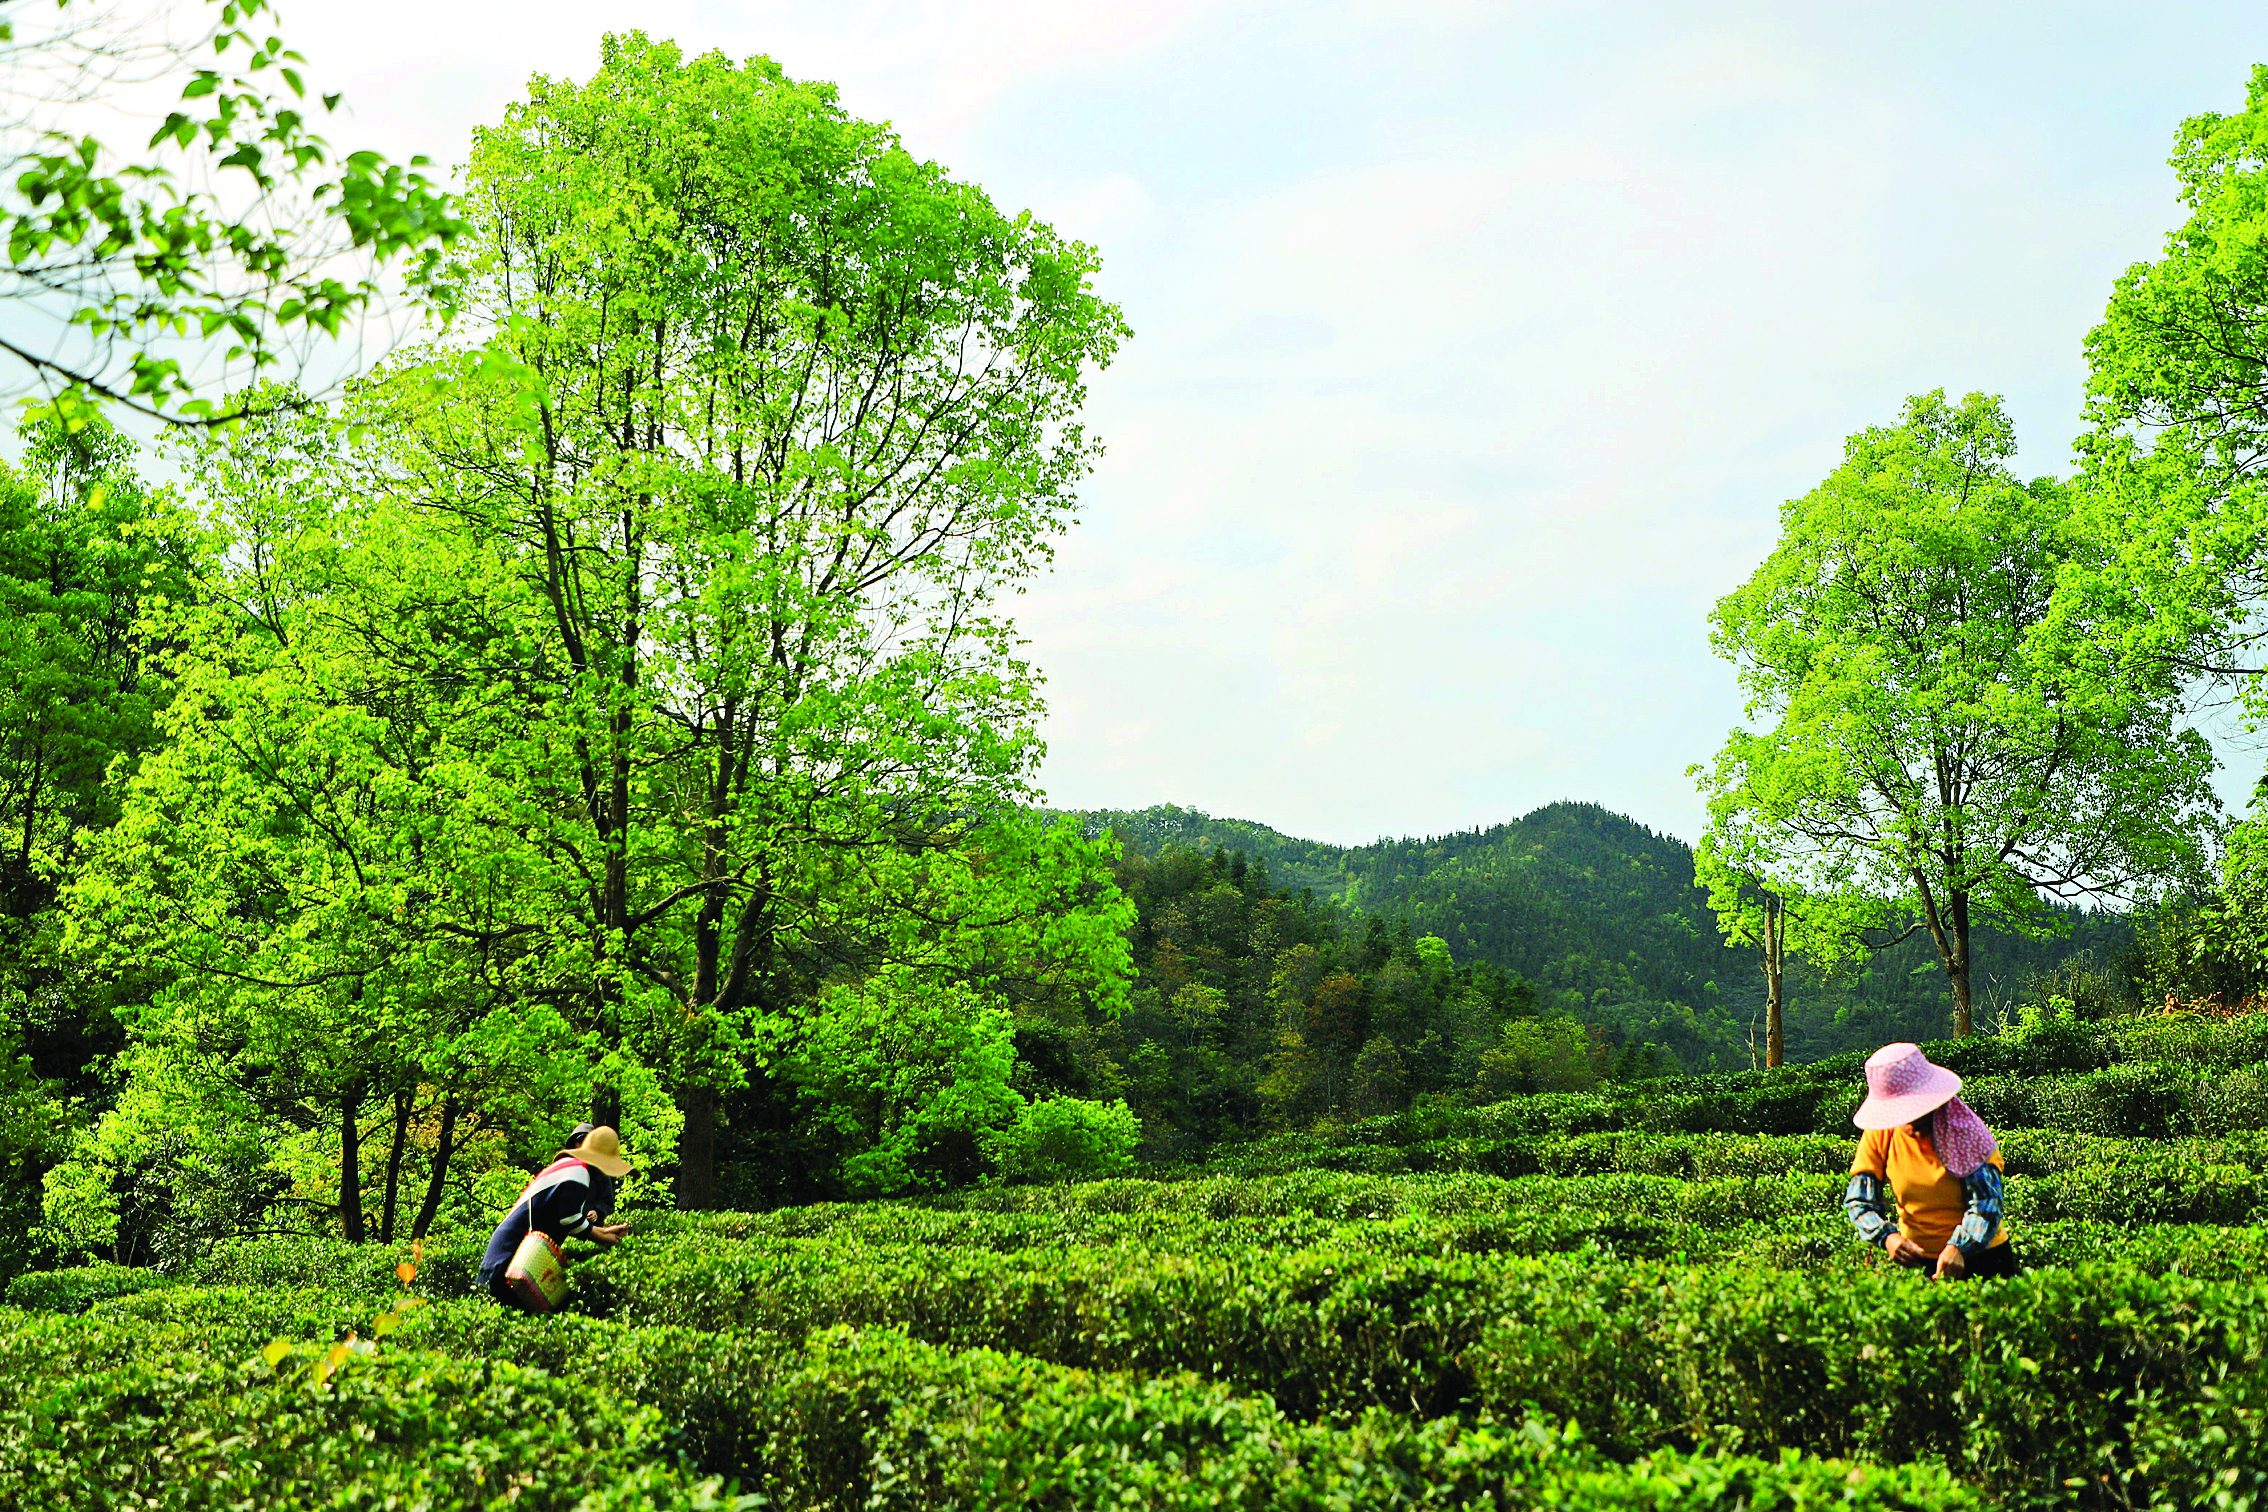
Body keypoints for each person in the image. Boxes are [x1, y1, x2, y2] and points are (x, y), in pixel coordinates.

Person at [1844, 1042, 2017, 1280]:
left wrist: (1959, 1247)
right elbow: (1859, 1200)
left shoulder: (1965, 1132)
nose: (1910, 1119)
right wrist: (1888, 1238)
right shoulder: (1882, 1132)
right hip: (1918, 1260)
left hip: (1982, 1256)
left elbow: (1987, 1204)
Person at [478, 1123, 634, 1309]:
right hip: (510, 1259)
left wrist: (604, 1231)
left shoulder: (569, 1167)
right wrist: (604, 1237)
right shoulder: (579, 1171)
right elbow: (570, 1220)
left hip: (507, 1257)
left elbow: (570, 1218)